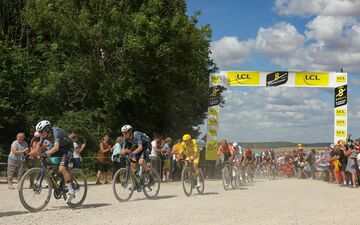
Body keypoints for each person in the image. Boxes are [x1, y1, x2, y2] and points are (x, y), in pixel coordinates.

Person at [29, 120, 75, 202]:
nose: (40, 134)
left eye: (41, 131)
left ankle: (71, 190)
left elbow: (55, 148)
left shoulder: (56, 132)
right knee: (44, 158)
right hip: (60, 148)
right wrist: (28, 155)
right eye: (39, 132)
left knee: (62, 168)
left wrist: (45, 153)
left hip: (68, 148)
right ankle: (55, 173)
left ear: (47, 129)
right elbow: (37, 149)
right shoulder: (43, 136)